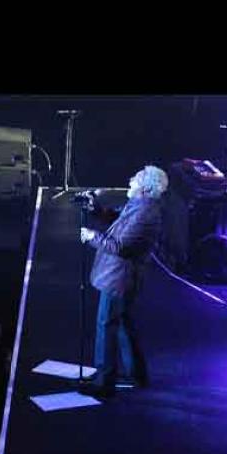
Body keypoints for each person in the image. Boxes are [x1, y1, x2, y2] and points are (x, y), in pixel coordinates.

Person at [78, 165, 166, 398]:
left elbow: (120, 246)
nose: (130, 180)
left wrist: (91, 236)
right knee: (123, 323)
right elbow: (116, 218)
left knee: (106, 325)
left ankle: (103, 381)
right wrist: (94, 207)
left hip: (119, 278)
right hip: (121, 277)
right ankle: (137, 374)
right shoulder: (141, 205)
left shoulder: (145, 212)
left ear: (145, 188)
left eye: (135, 179)